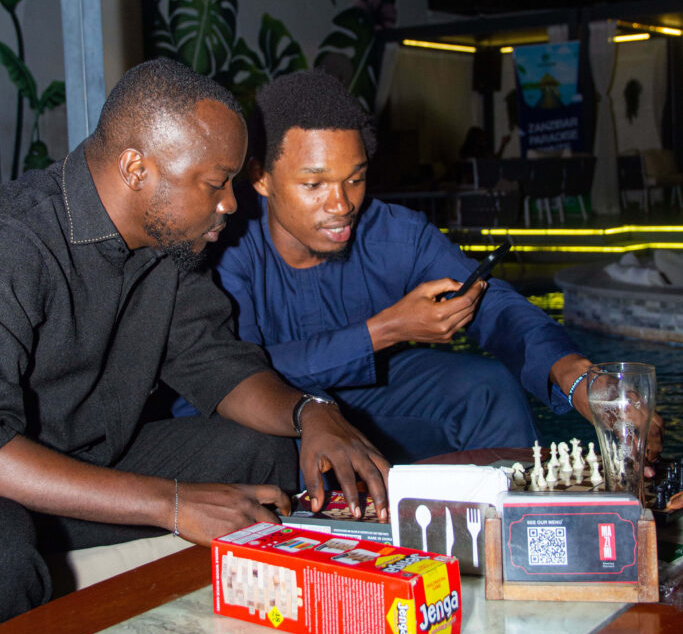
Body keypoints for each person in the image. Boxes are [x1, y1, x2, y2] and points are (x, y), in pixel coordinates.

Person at [0, 60, 389, 623]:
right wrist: (172, 503)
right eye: (215, 182)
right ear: (137, 168)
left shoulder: (171, 239)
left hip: (95, 462)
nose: (232, 202)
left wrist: (310, 412)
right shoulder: (17, 241)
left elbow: (216, 362)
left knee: (259, 450)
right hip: (14, 481)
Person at [201, 70, 663, 467]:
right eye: (314, 184)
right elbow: (235, 373)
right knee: (260, 436)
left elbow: (490, 301)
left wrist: (576, 374)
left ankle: (513, 534)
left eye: (355, 179)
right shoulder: (226, 248)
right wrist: (385, 330)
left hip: (372, 395)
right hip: (276, 412)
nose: (341, 205)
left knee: (485, 388)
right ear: (260, 177)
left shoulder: (393, 233)